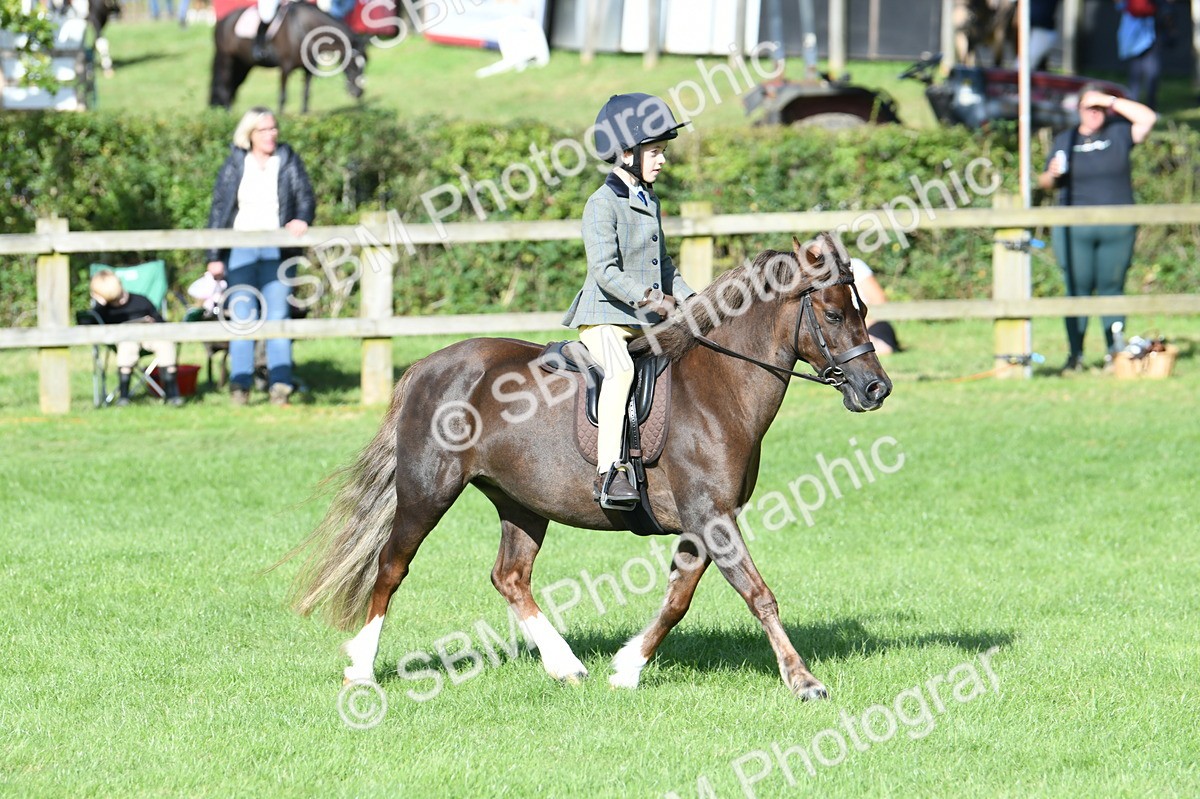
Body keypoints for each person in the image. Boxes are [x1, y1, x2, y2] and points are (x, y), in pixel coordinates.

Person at [562, 93, 695, 510]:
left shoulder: (649, 200)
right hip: (605, 318)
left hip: (645, 321)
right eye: (655, 152)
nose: (662, 160)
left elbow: (664, 265)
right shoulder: (600, 204)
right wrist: (652, 298)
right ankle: (609, 473)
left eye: (663, 152)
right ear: (626, 153)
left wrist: (694, 300)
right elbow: (604, 271)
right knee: (620, 373)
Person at [1037, 85, 1156, 372]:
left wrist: (1107, 100)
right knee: (1076, 289)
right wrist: (1051, 174)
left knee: (1111, 288)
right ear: (1078, 111)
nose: (1094, 114)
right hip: (1075, 228)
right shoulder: (1066, 139)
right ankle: (1075, 355)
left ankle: (1115, 353)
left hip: (1116, 228)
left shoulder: (1119, 133)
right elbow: (1044, 183)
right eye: (1089, 108)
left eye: (1099, 109)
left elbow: (1148, 118)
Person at [205, 107, 314, 406]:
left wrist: (302, 218)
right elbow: (219, 209)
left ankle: (280, 387)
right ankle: (240, 387)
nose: (271, 134)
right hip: (240, 248)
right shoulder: (236, 162)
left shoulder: (287, 159)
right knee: (243, 317)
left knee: (278, 317)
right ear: (249, 134)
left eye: (273, 128)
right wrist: (214, 255)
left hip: (277, 248)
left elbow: (305, 196)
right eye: (264, 129)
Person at [89, 270, 184, 407]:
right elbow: (87, 324)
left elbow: (161, 323)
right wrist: (98, 306)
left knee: (165, 344)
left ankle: (172, 395)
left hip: (150, 338)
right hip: (124, 342)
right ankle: (124, 397)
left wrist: (152, 322)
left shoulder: (141, 301)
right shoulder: (103, 309)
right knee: (127, 345)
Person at [849, 258, 901, 355]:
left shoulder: (855, 265)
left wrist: (859, 329)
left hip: (870, 323)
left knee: (883, 348)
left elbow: (880, 301)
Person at [1117, 0, 1162, 109]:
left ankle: (1134, 106)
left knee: (1137, 74)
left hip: (1136, 35)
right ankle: (1149, 107)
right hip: (1148, 34)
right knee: (1149, 73)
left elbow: (1119, 5)